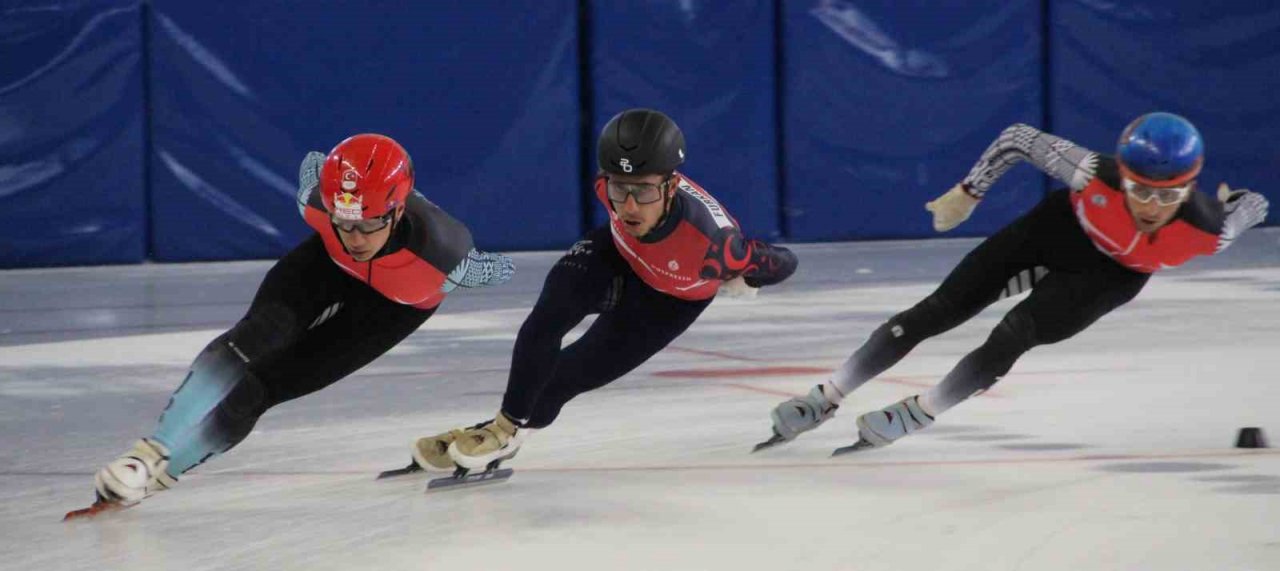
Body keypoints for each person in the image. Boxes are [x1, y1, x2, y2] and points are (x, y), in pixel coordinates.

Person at [762, 112, 1269, 453]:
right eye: (1138, 190)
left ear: (1190, 186)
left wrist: (1236, 201)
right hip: (1057, 232)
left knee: (1013, 335)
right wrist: (968, 192)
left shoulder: (1208, 230)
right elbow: (1018, 138)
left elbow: (1252, 209)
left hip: (1108, 276)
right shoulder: (1093, 173)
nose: (1150, 208)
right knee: (936, 311)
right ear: (1123, 176)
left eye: (1169, 195)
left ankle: (922, 411)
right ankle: (826, 394)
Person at [85, 134, 515, 511]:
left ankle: (167, 472)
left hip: (393, 307)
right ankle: (148, 453)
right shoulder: (316, 200)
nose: (357, 238)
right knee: (254, 336)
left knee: (260, 389)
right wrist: (338, 212)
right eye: (344, 223)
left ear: (398, 212)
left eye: (369, 224)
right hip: (325, 266)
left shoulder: (445, 255)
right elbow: (314, 163)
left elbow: (498, 270)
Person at [411, 108, 798, 474]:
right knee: (544, 323)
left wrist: (750, 271)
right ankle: (501, 430)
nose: (629, 205)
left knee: (565, 378)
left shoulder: (714, 242)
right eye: (619, 188)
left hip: (667, 303)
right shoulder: (606, 185)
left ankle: (497, 432)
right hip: (614, 255)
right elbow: (623, 195)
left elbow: (785, 262)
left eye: (644, 192)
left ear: (672, 185)